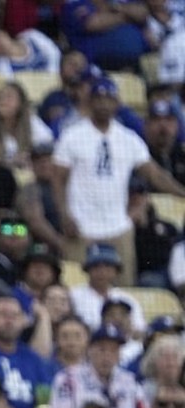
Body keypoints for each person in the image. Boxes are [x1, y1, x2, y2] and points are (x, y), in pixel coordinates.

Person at [52, 78, 185, 284]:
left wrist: (182, 192)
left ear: (117, 103)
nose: (104, 104)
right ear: (90, 101)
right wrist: (64, 214)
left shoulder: (128, 138)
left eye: (109, 99)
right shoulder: (72, 136)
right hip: (80, 226)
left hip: (118, 227)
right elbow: (58, 180)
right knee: (77, 287)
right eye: (99, 99)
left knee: (123, 288)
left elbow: (154, 175)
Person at [46, 324, 147, 408]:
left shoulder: (130, 381)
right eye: (102, 349)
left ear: (119, 354)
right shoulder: (67, 378)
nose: (107, 356)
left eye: (113, 350)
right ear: (89, 350)